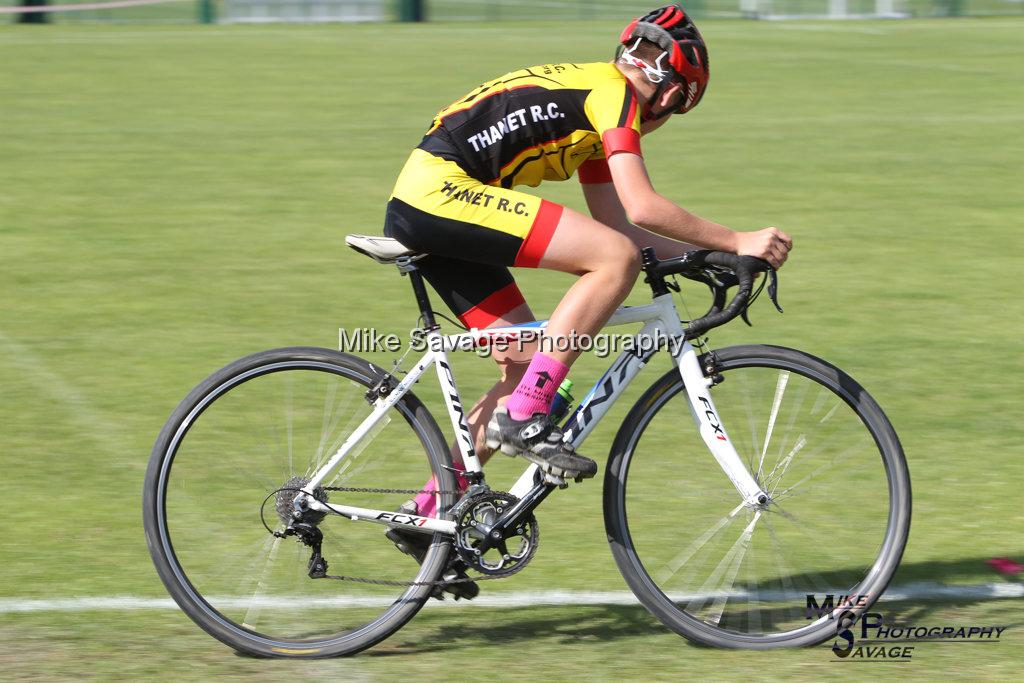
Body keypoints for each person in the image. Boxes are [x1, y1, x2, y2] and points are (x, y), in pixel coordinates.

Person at [382, 4, 792, 594]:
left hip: (433, 203)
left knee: (528, 364)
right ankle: (525, 415)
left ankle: (427, 513)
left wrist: (707, 258)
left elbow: (620, 223)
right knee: (608, 270)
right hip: (443, 196)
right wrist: (739, 238)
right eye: (679, 101)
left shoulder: (595, 94)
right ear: (673, 92)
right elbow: (642, 213)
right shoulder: (614, 97)